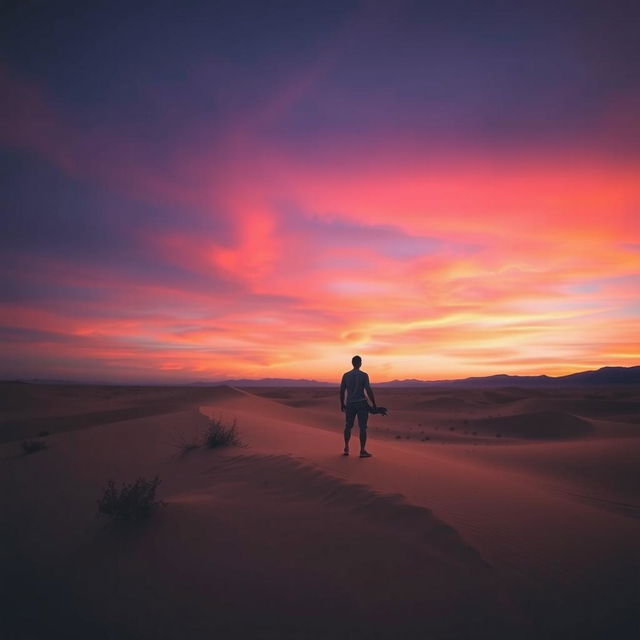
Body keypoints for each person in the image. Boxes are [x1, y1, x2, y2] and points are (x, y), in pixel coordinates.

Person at [340, 355, 375, 458]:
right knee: (362, 428)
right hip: (361, 403)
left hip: (350, 403)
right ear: (360, 363)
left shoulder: (346, 375)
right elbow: (368, 390)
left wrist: (342, 403)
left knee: (348, 426)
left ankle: (346, 448)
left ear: (352, 363)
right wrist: (374, 403)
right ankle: (362, 451)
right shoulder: (364, 375)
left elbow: (342, 391)